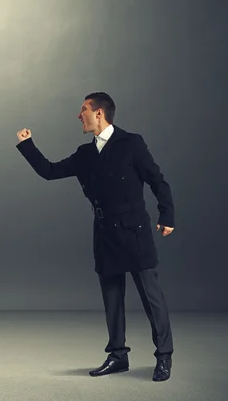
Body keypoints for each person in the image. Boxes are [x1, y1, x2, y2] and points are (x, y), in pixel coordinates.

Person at [16, 92, 174, 382]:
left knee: (152, 298)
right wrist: (27, 145)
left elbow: (157, 180)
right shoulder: (85, 154)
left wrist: (167, 215)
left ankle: (164, 357)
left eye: (84, 110)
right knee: (112, 297)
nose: (79, 115)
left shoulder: (131, 143)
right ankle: (118, 355)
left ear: (99, 113)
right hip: (105, 233)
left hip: (135, 230)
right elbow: (49, 171)